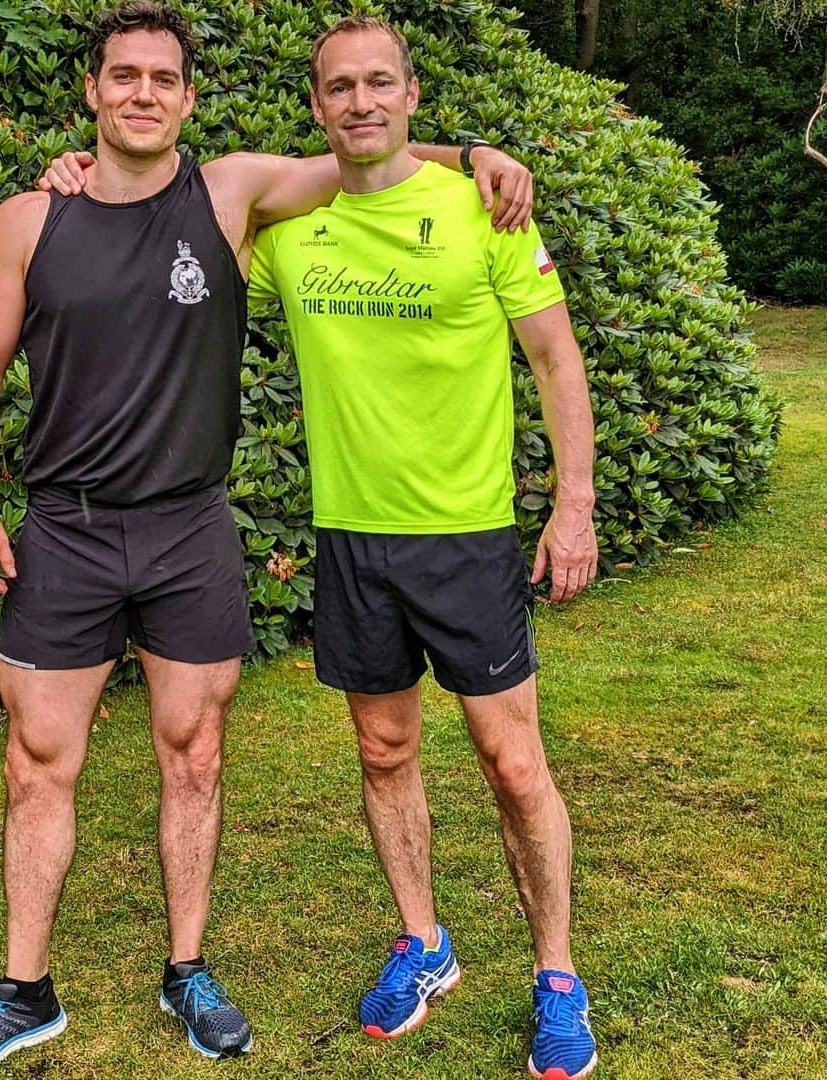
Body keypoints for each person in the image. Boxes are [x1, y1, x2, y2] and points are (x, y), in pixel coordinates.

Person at [0, 3, 536, 1077]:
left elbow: (369, 145)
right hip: (63, 530)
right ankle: (23, 992)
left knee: (194, 755)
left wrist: (477, 151)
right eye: (125, 76)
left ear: (189, 98)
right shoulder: (29, 221)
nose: (144, 94)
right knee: (37, 764)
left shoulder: (233, 192)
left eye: (164, 77)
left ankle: (188, 969)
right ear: (93, 91)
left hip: (190, 531)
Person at [241, 16, 599, 1080]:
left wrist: (571, 503)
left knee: (514, 762)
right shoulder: (290, 232)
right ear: (316, 107)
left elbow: (557, 361)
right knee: (384, 751)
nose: (359, 102)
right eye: (338, 88)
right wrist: (73, 176)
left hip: (470, 535)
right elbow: (171, 222)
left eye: (377, 83)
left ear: (409, 91)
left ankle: (557, 977)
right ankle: (425, 942)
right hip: (354, 538)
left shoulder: (483, 206)